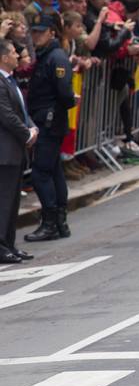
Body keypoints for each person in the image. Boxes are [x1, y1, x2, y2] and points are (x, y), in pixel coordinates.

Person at [25, 14, 75, 244]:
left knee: (41, 172)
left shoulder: (56, 57)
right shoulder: (47, 55)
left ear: (51, 33)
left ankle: (51, 222)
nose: (36, 36)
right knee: (53, 170)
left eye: (40, 31)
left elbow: (65, 93)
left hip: (49, 120)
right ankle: (59, 222)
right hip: (46, 117)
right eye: (34, 31)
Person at [0, 36, 37, 264]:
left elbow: (21, 111)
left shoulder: (11, 81)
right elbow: (6, 115)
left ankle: (10, 244)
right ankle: (1, 245)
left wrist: (32, 127)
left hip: (16, 150)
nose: (17, 55)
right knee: (3, 201)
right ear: (3, 57)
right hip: (5, 151)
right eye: (14, 52)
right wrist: (26, 134)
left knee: (13, 201)